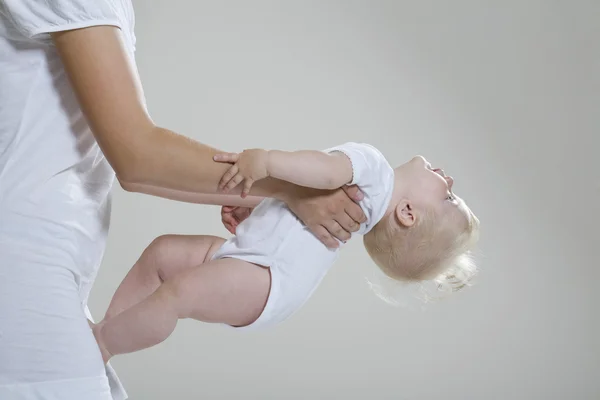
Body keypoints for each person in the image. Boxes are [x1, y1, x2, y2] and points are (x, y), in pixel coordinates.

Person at [0, 1, 367, 399]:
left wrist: (278, 195)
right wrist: (288, 190)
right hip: (24, 274)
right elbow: (137, 157)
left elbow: (134, 172)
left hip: (39, 277)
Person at [90, 143, 480, 364]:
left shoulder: (375, 171)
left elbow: (324, 173)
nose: (448, 178)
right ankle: (107, 335)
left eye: (448, 196)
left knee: (178, 292)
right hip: (263, 271)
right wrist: (256, 218)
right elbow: (299, 216)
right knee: (164, 254)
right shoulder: (365, 208)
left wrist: (266, 162)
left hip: (265, 277)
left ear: (408, 213)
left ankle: (104, 342)